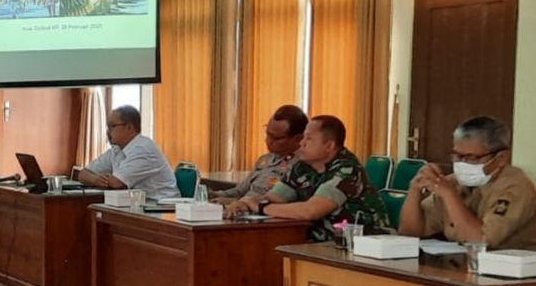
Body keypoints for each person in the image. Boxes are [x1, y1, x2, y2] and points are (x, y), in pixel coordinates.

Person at [228, 114, 390, 241]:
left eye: (309, 139)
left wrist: (262, 208)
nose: (301, 144)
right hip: (320, 241)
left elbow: (310, 211)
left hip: (363, 243)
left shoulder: (346, 169)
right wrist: (245, 203)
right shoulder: (303, 165)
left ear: (329, 146)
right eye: (303, 137)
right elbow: (275, 197)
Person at [399, 116, 536, 250]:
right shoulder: (454, 182)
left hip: (511, 269)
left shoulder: (515, 187)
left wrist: (450, 196)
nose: (462, 164)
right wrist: (415, 189)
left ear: (501, 158)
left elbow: (479, 241)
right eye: (457, 156)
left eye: (472, 158)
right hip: (461, 265)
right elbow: (411, 233)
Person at [74, 105, 181, 200]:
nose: (108, 132)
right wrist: (96, 179)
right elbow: (83, 174)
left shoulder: (143, 148)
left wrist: (106, 179)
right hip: (139, 203)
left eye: (112, 126)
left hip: (162, 205)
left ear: (129, 127)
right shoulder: (116, 150)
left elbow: (116, 183)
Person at [212, 105, 307, 205]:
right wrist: (210, 195)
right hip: (239, 209)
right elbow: (239, 191)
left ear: (298, 139)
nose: (268, 141)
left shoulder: (301, 166)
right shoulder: (265, 159)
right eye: (267, 134)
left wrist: (236, 202)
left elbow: (280, 202)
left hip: (262, 215)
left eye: (276, 138)